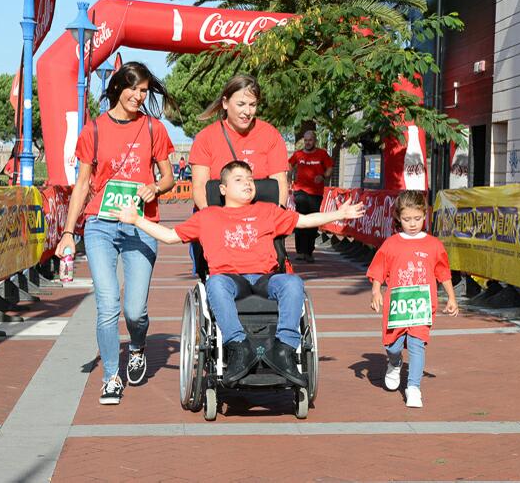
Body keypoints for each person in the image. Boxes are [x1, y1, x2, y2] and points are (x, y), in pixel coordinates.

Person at [110, 160, 365, 387]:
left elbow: (304, 221)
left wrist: (340, 214)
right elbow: (169, 236)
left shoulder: (267, 211)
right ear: (222, 189)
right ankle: (238, 347)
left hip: (265, 278)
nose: (248, 183)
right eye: (239, 179)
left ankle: (285, 349)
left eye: (250, 179)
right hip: (231, 280)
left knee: (292, 282)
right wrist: (136, 220)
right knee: (216, 284)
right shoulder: (208, 216)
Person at [54, 61, 178, 406]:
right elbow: (82, 185)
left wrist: (155, 187)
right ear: (117, 87)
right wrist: (68, 231)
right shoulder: (93, 130)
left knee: (134, 311)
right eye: (133, 89)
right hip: (100, 225)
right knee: (107, 304)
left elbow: (168, 177)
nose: (139, 96)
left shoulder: (154, 129)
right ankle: (111, 375)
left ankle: (137, 345)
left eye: (144, 91)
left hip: (141, 225)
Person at [367, 190, 459, 408]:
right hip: (397, 305)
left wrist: (452, 298)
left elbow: (443, 272)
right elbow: (379, 268)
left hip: (422, 305)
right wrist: (376, 291)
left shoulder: (433, 245)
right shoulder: (391, 244)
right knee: (393, 345)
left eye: (417, 218)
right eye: (407, 219)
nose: (413, 223)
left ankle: (414, 387)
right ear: (399, 218)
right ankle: (394, 362)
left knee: (417, 346)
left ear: (424, 215)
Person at [189, 75, 289, 209]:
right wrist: (211, 219)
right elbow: (200, 186)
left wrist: (278, 215)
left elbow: (280, 183)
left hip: (259, 220)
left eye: (252, 105)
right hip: (216, 217)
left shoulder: (271, 135)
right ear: (225, 103)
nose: (247, 112)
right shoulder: (205, 137)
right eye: (241, 104)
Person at [288, 130, 333, 262]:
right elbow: (290, 164)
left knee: (313, 222)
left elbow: (329, 168)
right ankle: (300, 251)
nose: (308, 143)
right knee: (300, 220)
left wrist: (323, 176)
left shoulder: (322, 154)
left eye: (310, 140)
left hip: (315, 193)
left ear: (315, 141)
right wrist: (289, 178)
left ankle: (309, 252)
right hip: (300, 191)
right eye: (306, 140)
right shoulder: (298, 154)